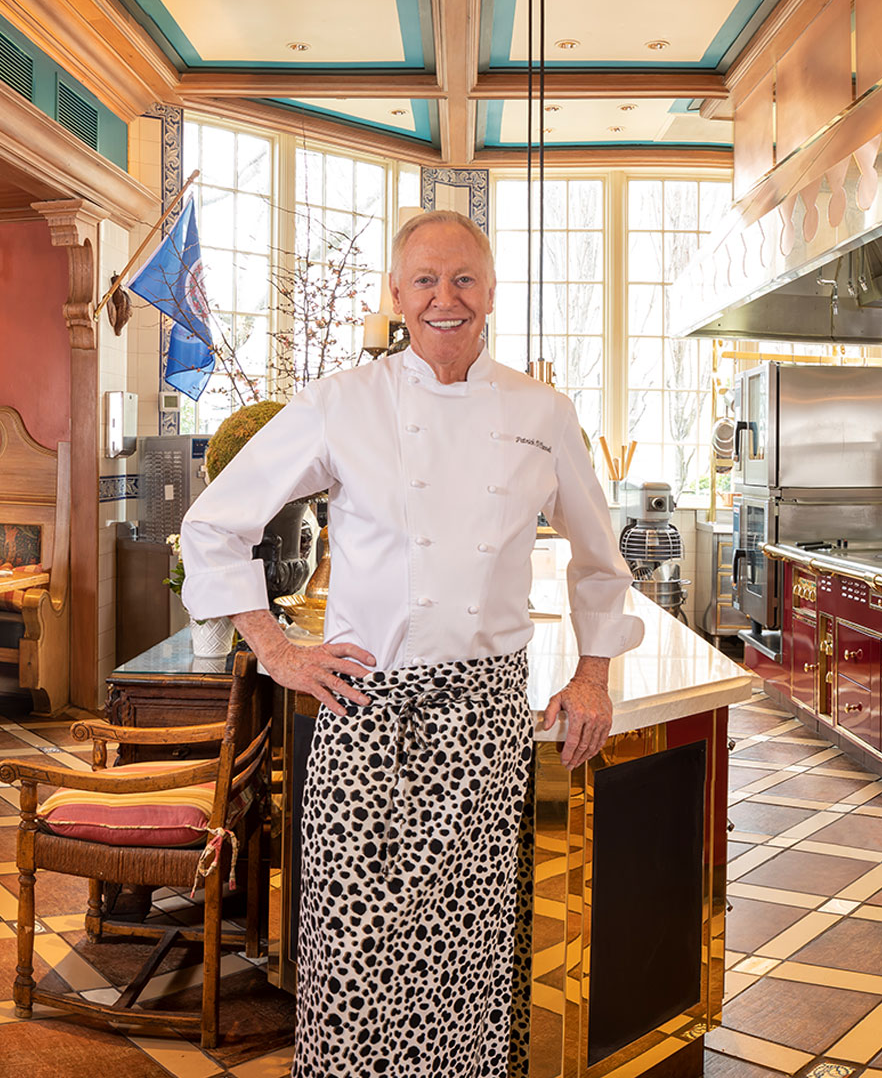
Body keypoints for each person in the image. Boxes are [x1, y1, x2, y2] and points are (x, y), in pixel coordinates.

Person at [179, 209, 643, 1077]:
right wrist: (276, 649)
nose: (444, 297)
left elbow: (599, 559)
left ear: (491, 292)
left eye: (463, 279)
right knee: (353, 952)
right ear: (396, 294)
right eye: (425, 280)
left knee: (466, 957)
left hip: (483, 729)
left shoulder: (543, 412)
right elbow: (213, 525)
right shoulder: (342, 403)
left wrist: (592, 676)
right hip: (366, 717)